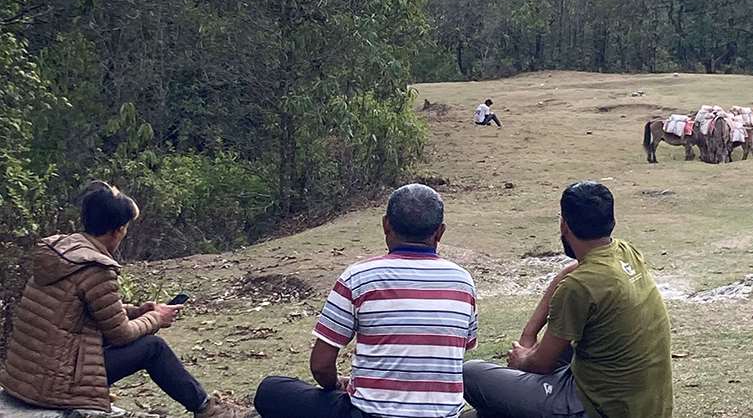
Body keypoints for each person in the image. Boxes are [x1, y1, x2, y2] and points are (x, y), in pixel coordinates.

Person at [0, 181, 250, 418]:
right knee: (153, 347)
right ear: (117, 230)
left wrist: (140, 311)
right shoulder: (96, 268)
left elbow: (88, 312)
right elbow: (120, 335)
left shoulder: (61, 253)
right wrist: (156, 318)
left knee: (143, 341)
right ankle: (208, 410)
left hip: (25, 378)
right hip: (56, 386)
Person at [255, 184, 478, 418]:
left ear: (385, 225)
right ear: (440, 232)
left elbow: (320, 366)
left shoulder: (359, 277)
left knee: (271, 389)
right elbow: (462, 347)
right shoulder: (463, 281)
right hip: (442, 414)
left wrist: (337, 384)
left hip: (367, 413)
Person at [462, 181, 673, 418]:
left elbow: (539, 364)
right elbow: (570, 270)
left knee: (470, 374)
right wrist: (529, 333)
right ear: (612, 222)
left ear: (564, 225)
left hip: (599, 406)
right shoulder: (625, 252)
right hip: (642, 403)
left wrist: (522, 359)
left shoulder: (579, 286)